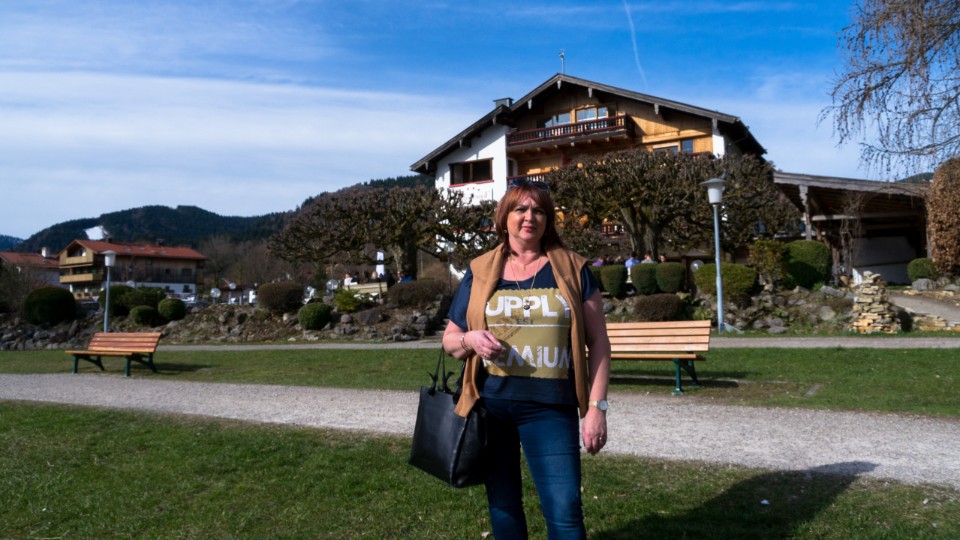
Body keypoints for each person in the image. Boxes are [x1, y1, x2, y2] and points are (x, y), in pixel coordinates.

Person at [442, 179, 612, 539]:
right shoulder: (480, 269)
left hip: (550, 407)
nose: (529, 217)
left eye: (538, 211)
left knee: (565, 510)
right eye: (520, 209)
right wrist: (471, 339)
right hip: (490, 407)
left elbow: (599, 342)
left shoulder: (574, 268)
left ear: (548, 220)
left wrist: (596, 408)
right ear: (504, 217)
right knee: (503, 505)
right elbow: (451, 341)